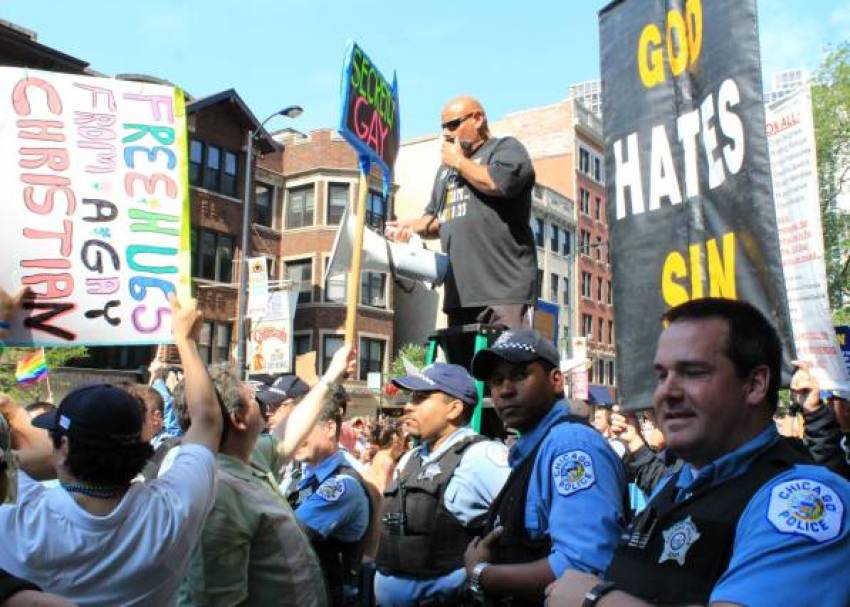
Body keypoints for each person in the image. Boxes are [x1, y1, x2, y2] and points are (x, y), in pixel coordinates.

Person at [544, 298, 850, 607]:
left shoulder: (808, 499)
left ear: (755, 384)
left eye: (693, 372)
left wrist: (594, 600)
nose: (668, 392)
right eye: (662, 375)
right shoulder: (675, 486)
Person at [0, 294, 222, 606]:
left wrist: (3, 325)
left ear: (62, 448)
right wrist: (185, 340)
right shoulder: (172, 512)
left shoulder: (23, 517)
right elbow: (208, 420)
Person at [179, 348, 355, 607]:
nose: (263, 406)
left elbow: (289, 433)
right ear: (238, 419)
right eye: (253, 398)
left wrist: (332, 375)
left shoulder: (247, 456)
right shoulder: (218, 494)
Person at [464, 329, 626, 605]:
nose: (505, 390)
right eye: (496, 380)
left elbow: (583, 566)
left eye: (519, 375)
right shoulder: (536, 447)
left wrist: (482, 574)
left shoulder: (570, 445)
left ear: (555, 381)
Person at [386, 96, 537, 364]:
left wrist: (457, 162)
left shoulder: (505, 150)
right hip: (460, 296)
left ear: (478, 118)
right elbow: (435, 219)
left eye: (453, 124)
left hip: (503, 292)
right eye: (443, 126)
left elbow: (496, 183)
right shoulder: (446, 172)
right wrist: (410, 226)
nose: (446, 132)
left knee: (508, 375)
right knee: (463, 382)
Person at [374, 363, 511, 606]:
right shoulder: (410, 458)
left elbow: (527, 522)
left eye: (421, 398)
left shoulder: (481, 456)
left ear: (454, 409)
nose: (408, 405)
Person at [287, 396, 372, 606]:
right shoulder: (301, 474)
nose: (294, 436)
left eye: (303, 427)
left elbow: (288, 534)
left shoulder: (342, 484)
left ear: (330, 428)